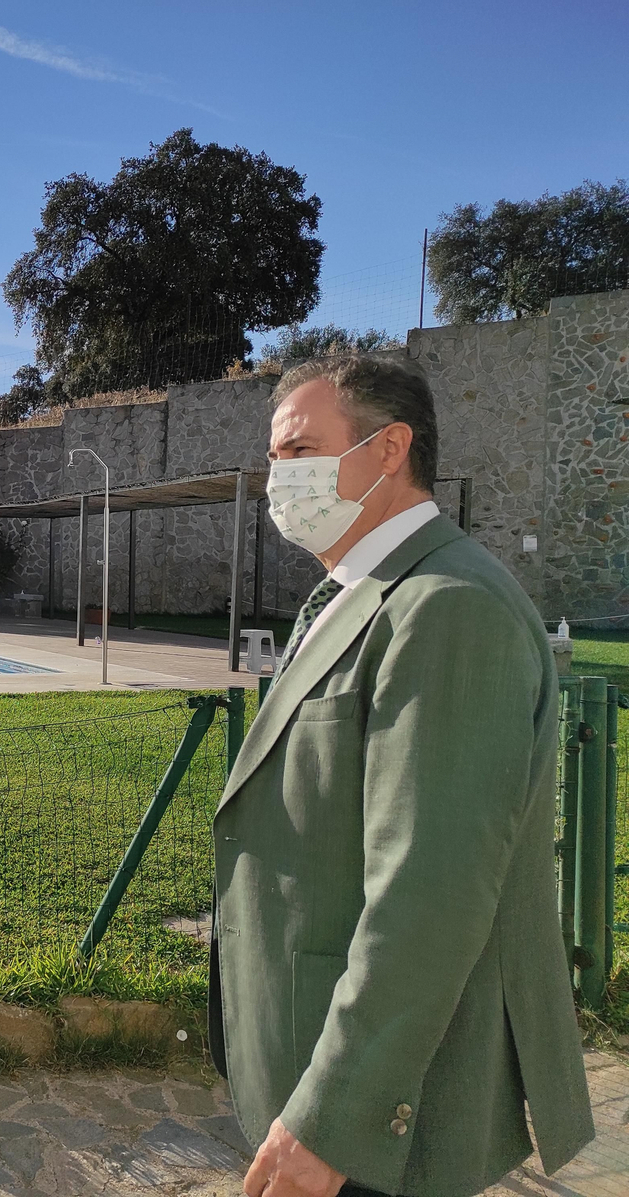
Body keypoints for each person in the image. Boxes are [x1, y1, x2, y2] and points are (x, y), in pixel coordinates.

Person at [212, 356, 593, 1197]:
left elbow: (430, 893)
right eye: (275, 459)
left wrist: (333, 1115)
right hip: (326, 1057)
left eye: (300, 450)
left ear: (389, 450)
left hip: (383, 1116)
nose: (281, 480)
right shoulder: (365, 591)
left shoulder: (448, 607)